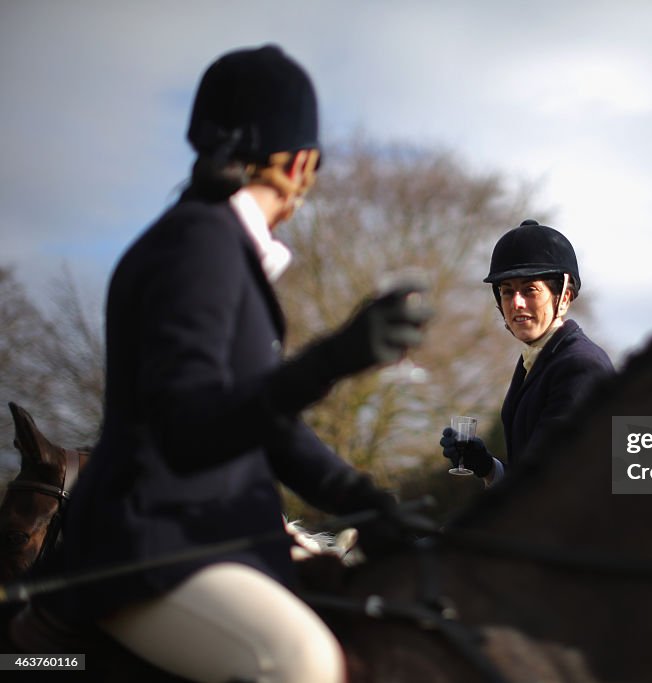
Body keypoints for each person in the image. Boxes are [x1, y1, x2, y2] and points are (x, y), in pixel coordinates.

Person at [17, 45, 430, 683]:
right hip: (152, 544)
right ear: (300, 164)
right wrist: (333, 358)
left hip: (208, 533)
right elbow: (189, 426)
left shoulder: (219, 247)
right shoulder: (200, 246)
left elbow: (262, 424)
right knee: (302, 665)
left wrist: (364, 501)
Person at [440, 219, 614, 485]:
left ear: (564, 298)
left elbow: (549, 486)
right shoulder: (535, 360)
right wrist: (487, 466)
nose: (517, 303)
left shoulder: (580, 365)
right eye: (507, 292)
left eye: (530, 290)